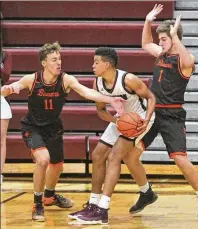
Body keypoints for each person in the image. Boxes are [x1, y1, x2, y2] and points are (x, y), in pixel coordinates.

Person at [0, 42, 125, 222]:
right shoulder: (32, 79)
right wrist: (7, 89)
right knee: (43, 160)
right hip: (33, 127)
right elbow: (13, 87)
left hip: (53, 127)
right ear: (44, 63)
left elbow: (86, 92)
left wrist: (110, 100)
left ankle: (49, 196)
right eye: (54, 60)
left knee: (57, 166)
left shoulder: (66, 80)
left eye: (59, 59)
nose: (59, 62)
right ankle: (37, 204)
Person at [68, 47, 156, 225]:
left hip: (139, 119)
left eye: (96, 62)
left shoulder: (128, 79)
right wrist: (116, 122)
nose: (92, 65)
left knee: (115, 156)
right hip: (121, 120)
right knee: (97, 155)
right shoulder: (97, 83)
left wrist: (145, 120)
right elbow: (101, 111)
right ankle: (93, 204)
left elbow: (151, 97)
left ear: (107, 64)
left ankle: (103, 209)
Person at [138, 4, 198, 219]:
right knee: (131, 153)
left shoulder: (185, 61)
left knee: (180, 159)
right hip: (153, 114)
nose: (160, 42)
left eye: (164, 39)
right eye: (161, 39)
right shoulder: (161, 54)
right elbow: (145, 43)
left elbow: (188, 60)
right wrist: (148, 20)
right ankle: (145, 192)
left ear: (174, 38)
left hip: (172, 115)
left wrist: (174, 36)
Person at [0, 12, 13, 185]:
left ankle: (0, 174)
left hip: (0, 99)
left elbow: (6, 75)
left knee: (1, 138)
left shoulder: (5, 55)